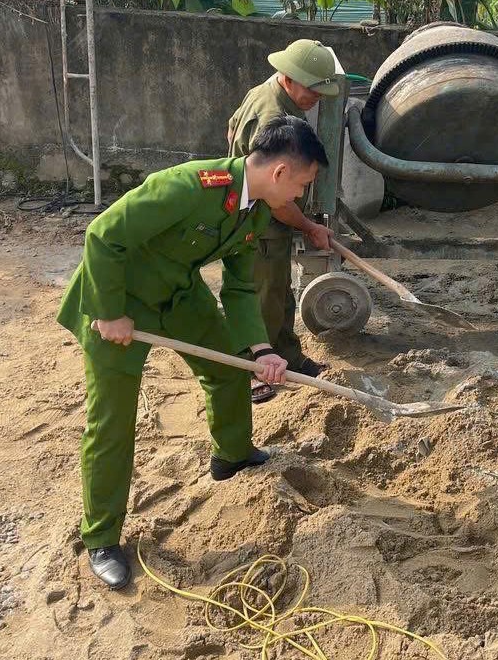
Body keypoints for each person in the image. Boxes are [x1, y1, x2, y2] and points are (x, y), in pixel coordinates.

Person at [57, 116, 328, 589]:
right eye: (303, 185)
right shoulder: (189, 186)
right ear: (281, 172)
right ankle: (101, 538)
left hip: (179, 294)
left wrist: (261, 349)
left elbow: (241, 286)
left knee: (226, 369)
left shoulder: (257, 208)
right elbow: (103, 234)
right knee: (112, 420)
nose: (300, 198)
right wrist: (110, 311)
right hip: (118, 303)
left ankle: (233, 454)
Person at [227, 39, 340, 402]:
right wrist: (308, 225)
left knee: (278, 291)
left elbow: (231, 130)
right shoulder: (273, 114)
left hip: (267, 213)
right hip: (259, 217)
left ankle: (288, 357)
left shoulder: (264, 93)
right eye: (312, 90)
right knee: (261, 293)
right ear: (289, 78)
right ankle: (250, 369)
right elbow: (276, 199)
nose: (316, 98)